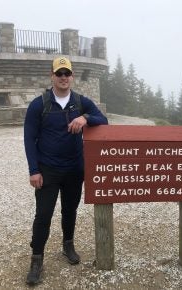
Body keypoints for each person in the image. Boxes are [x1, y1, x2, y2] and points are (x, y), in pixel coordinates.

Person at [24, 56, 108, 285]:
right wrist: (34, 170)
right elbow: (29, 139)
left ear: (71, 77)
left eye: (67, 73)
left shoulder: (81, 102)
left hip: (74, 169)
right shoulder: (38, 104)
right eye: (59, 73)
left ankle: (68, 245)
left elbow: (104, 120)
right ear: (51, 76)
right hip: (47, 170)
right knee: (43, 215)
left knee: (70, 210)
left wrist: (85, 118)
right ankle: (36, 258)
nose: (63, 78)